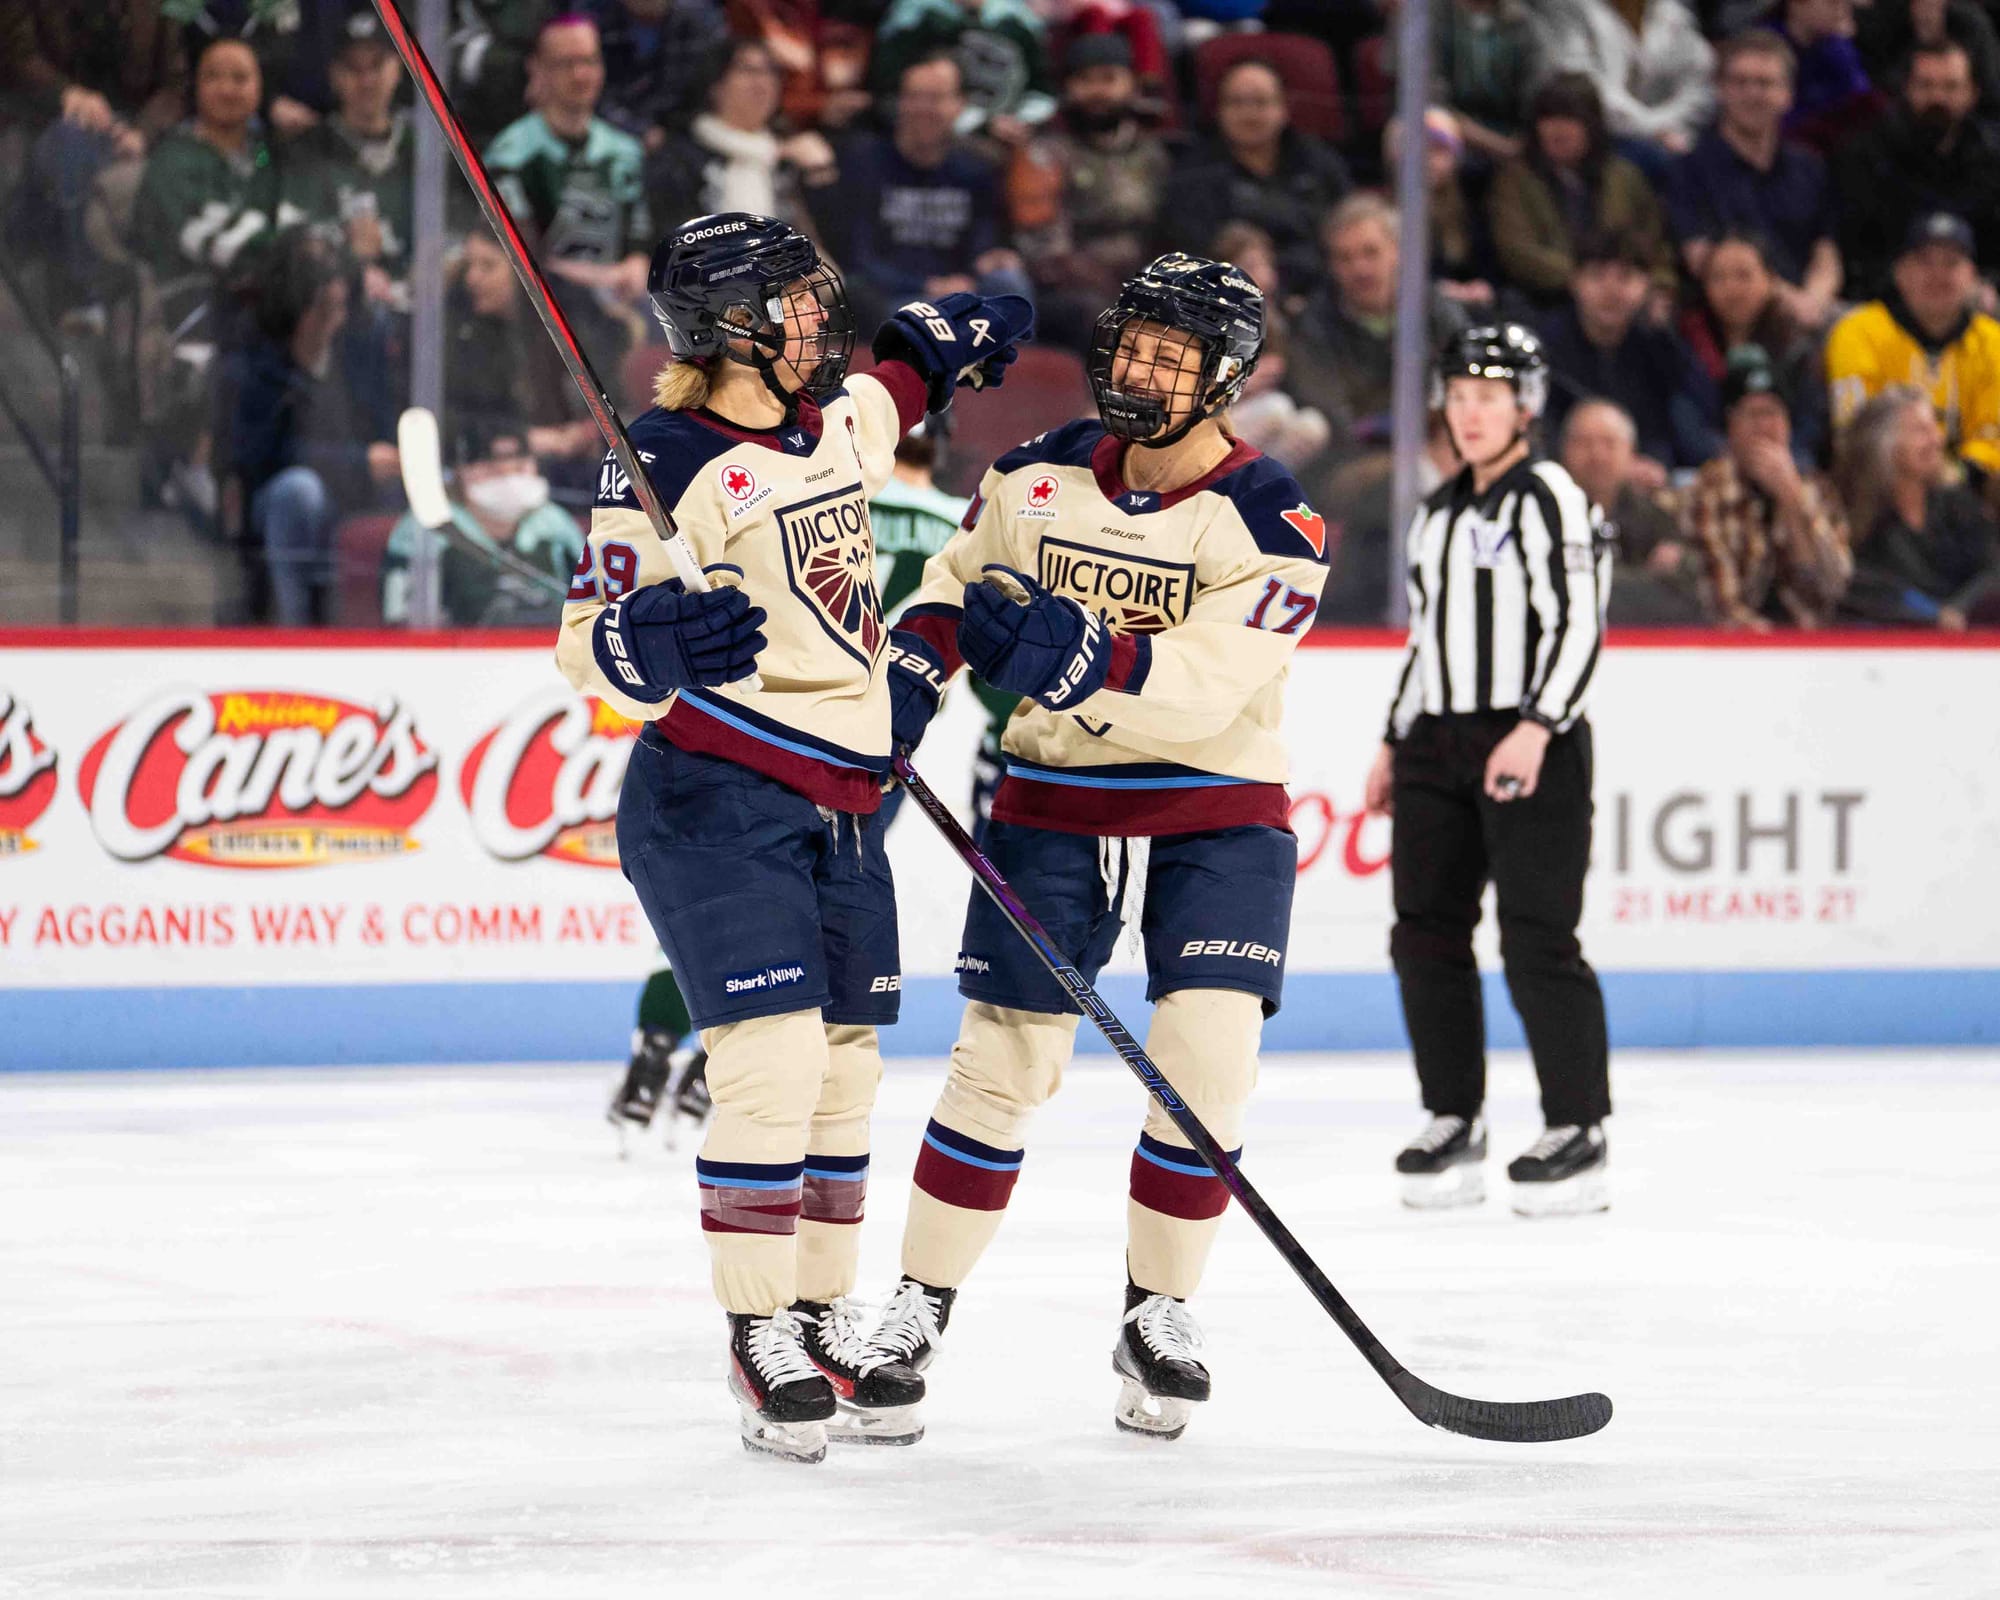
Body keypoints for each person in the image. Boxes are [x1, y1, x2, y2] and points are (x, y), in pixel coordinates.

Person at [554, 210, 1030, 1463]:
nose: (818, 321)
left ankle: (820, 1318)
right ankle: (756, 1330)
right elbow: (585, 644)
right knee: (766, 1061)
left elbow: (889, 394)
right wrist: (651, 645)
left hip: (842, 806)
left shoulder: (825, 425)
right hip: (714, 802)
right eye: (794, 305)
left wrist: (940, 344)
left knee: (844, 1072)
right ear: (729, 328)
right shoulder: (659, 459)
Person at [851, 253, 1331, 1444]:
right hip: (1054, 796)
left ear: (1222, 379)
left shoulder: (1274, 518)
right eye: (1133, 345)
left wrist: (1082, 661)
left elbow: (1214, 678)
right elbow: (954, 587)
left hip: (1214, 813)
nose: (1142, 371)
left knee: (1205, 1066)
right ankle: (914, 1306)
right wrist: (916, 668)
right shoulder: (1033, 474)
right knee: (998, 1064)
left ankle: (1158, 1310)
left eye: (1174, 357)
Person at [1364, 323, 1613, 1218]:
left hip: (1529, 738)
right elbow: (1426, 638)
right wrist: (1396, 739)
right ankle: (1452, 1117)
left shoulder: (1549, 496)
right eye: (1458, 396)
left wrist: (1538, 726)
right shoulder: (1438, 512)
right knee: (1424, 930)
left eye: (1489, 397)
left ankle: (1578, 1130)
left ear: (1526, 407)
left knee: (1538, 936)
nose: (1469, 414)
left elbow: (1582, 625)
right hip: (1439, 740)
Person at [215, 227, 400, 625]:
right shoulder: (252, 360)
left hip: (354, 494)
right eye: (326, 308)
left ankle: (393, 624)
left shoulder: (356, 351)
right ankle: (292, 628)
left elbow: (384, 422)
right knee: (298, 492)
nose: (337, 319)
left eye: (341, 306)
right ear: (297, 310)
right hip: (280, 503)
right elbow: (259, 456)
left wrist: (389, 459)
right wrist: (357, 461)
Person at [0, 0, 185, 326]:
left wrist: (142, 132)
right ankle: (79, 292)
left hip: (127, 129)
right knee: (71, 142)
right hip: (45, 121)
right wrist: (67, 94)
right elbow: (16, 55)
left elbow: (175, 83)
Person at [485, 15, 653, 369]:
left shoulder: (624, 150)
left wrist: (636, 265)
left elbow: (639, 235)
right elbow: (523, 254)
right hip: (547, 309)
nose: (581, 75)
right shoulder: (511, 153)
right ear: (538, 70)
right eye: (566, 64)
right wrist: (600, 280)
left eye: (589, 61)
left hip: (620, 299)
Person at [825, 52, 1032, 334]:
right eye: (914, 97)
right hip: (896, 296)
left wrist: (993, 257)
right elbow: (858, 259)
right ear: (900, 103)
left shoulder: (976, 170)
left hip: (965, 289)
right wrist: (927, 286)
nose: (923, 108)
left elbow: (984, 243)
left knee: (1010, 285)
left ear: (960, 105)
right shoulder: (864, 162)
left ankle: (1012, 376)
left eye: (935, 98)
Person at [1006, 31, 1173, 351]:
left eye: (1109, 79)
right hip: (1074, 291)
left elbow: (1171, 231)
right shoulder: (1044, 153)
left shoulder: (1155, 154)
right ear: (1067, 88)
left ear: (1132, 86)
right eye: (1084, 80)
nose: (1097, 91)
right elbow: (1043, 249)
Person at [1668, 31, 1842, 327]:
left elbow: (1826, 253)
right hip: (1729, 320)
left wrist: (1814, 301)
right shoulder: (1689, 170)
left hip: (1810, 311)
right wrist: (1790, 302)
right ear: (1720, 90)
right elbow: (1702, 260)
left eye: (1765, 83)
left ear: (1788, 95)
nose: (1752, 93)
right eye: (1740, 82)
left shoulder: (1810, 167)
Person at [1286, 193, 1471, 462]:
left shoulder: (1435, 310)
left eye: (1370, 252)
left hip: (1438, 443)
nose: (1359, 268)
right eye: (1344, 258)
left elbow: (1465, 380)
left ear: (1397, 251)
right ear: (1331, 266)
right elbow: (1332, 415)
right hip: (1354, 463)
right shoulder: (1314, 325)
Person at [1686, 348, 1854, 629]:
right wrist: (1769, 645)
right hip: (1739, 643)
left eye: (1772, 414)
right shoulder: (1709, 490)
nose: (1764, 426)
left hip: (1809, 642)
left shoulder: (1816, 488)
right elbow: (1720, 599)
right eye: (1752, 415)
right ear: (1731, 425)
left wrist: (1793, 501)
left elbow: (1834, 587)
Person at [1826, 211, 2000, 480]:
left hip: (1968, 490)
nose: (1938, 275)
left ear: (1972, 277)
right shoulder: (1858, 331)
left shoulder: (1993, 341)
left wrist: (1950, 475)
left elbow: (1992, 438)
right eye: (1924, 262)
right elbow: (1856, 428)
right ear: (1900, 272)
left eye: (1951, 263)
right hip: (1881, 484)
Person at [1486, 73, 1676, 311]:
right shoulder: (1514, 180)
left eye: (1570, 118)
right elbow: (1519, 253)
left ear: (1592, 124)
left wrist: (1659, 286)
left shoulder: (1625, 177)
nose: (1558, 129)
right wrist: (1590, 281)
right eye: (1548, 118)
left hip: (1625, 300)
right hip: (1548, 300)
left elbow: (1655, 244)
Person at [1165, 57, 1354, 296]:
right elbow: (1192, 254)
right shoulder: (1193, 173)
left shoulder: (1318, 163)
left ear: (1284, 107)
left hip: (1324, 294)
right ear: (1219, 111)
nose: (1250, 114)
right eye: (1237, 103)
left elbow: (1347, 226)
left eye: (1261, 102)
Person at [1539, 228, 1719, 471]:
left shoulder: (1656, 343)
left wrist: (1668, 335)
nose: (1611, 291)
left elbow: (1702, 409)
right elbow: (1543, 433)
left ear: (1646, 285)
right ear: (1575, 282)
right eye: (1597, 276)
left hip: (1649, 477)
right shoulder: (1546, 346)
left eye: (1625, 277)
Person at [1833, 39, 2000, 297]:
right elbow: (1857, 250)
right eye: (1926, 85)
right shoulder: (1867, 154)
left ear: (1972, 94)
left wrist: (1986, 284)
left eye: (1951, 86)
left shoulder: (1992, 157)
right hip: (1886, 297)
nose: (1937, 97)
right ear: (1906, 88)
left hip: (1978, 297)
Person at [129, 36, 301, 285]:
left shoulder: (267, 154)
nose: (227, 90)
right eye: (213, 77)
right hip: (194, 302)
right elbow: (197, 240)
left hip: (275, 295)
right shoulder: (172, 158)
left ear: (260, 88)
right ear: (195, 86)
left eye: (240, 78)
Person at [379, 431, 585, 626]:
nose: (506, 473)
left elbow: (594, 605)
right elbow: (400, 618)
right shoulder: (427, 526)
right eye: (490, 465)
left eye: (519, 464)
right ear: (459, 471)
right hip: (455, 655)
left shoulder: (556, 524)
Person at [643, 36, 837, 242]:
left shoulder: (790, 156)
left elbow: (833, 241)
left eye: (771, 72)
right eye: (748, 70)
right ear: (715, 85)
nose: (762, 82)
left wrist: (819, 172)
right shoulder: (680, 156)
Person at [1834, 385, 2000, 625]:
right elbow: (1857, 585)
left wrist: (1958, 609)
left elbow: (1993, 568)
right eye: (1921, 430)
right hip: (1888, 644)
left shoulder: (1957, 505)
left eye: (1935, 427)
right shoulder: (1855, 515)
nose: (1937, 439)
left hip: (1966, 642)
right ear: (1886, 445)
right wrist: (1932, 614)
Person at [282, 9, 413, 306]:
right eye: (353, 69)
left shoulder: (426, 148)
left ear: (398, 68)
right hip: (342, 311)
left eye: (377, 65)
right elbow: (294, 237)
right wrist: (347, 258)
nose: (367, 81)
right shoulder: (307, 150)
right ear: (334, 75)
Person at [1679, 230, 1828, 465]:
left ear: (1770, 280)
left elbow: (1809, 429)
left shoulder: (1797, 348)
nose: (1732, 289)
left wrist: (1778, 462)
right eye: (1718, 277)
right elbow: (1688, 424)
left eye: (1744, 275)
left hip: (1788, 464)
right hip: (1713, 467)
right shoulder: (1688, 344)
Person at [1560, 397, 1709, 623]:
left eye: (1609, 443)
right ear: (1564, 450)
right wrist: (1648, 578)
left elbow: (1686, 594)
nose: (1597, 455)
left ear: (1631, 453)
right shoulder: (1543, 513)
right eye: (1585, 443)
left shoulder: (1654, 514)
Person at [1531, 0, 1715, 170]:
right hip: (1604, 134)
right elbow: (1585, 85)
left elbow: (1699, 83)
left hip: (1672, 133)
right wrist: (1653, 129)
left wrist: (1668, 125)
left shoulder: (1672, 12)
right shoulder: (1571, 9)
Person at [867, 0, 1058, 142]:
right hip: (922, 136)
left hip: (1005, 139)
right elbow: (886, 91)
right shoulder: (915, 15)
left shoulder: (1020, 22)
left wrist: (1022, 121)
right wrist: (978, 126)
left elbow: (1042, 91)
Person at [586, 0, 728, 149]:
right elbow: (594, 97)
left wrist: (672, 133)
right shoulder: (596, 28)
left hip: (687, 134)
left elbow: (711, 88)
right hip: (611, 136)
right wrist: (639, 131)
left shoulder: (701, 23)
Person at [606, 962, 711, 1151]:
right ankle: (655, 1091)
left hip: (678, 982)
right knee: (659, 1048)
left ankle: (647, 1092)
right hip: (683, 981)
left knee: (658, 1047)